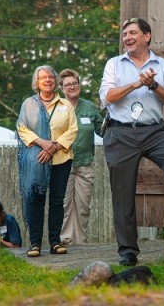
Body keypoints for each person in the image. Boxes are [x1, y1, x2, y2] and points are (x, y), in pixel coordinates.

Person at [99, 17, 164, 266]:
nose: (127, 37)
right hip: (120, 133)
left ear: (147, 36)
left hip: (154, 132)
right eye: (125, 34)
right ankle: (128, 250)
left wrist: (154, 84)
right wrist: (137, 83)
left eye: (133, 33)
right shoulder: (114, 64)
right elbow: (107, 97)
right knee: (123, 192)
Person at [17, 65, 77, 257]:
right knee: (36, 199)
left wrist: (54, 147)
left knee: (57, 201)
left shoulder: (65, 105)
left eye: (51, 76)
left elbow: (73, 130)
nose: (48, 80)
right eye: (43, 77)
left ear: (55, 81)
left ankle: (54, 242)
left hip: (61, 159)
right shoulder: (28, 104)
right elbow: (22, 128)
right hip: (38, 160)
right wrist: (43, 144)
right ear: (36, 82)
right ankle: (35, 244)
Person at [58, 69, 104, 245]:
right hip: (63, 163)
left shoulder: (89, 107)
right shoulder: (58, 107)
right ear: (61, 88)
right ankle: (66, 240)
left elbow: (102, 130)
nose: (72, 86)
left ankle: (80, 241)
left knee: (83, 206)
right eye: (68, 84)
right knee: (65, 204)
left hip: (85, 163)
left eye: (75, 83)